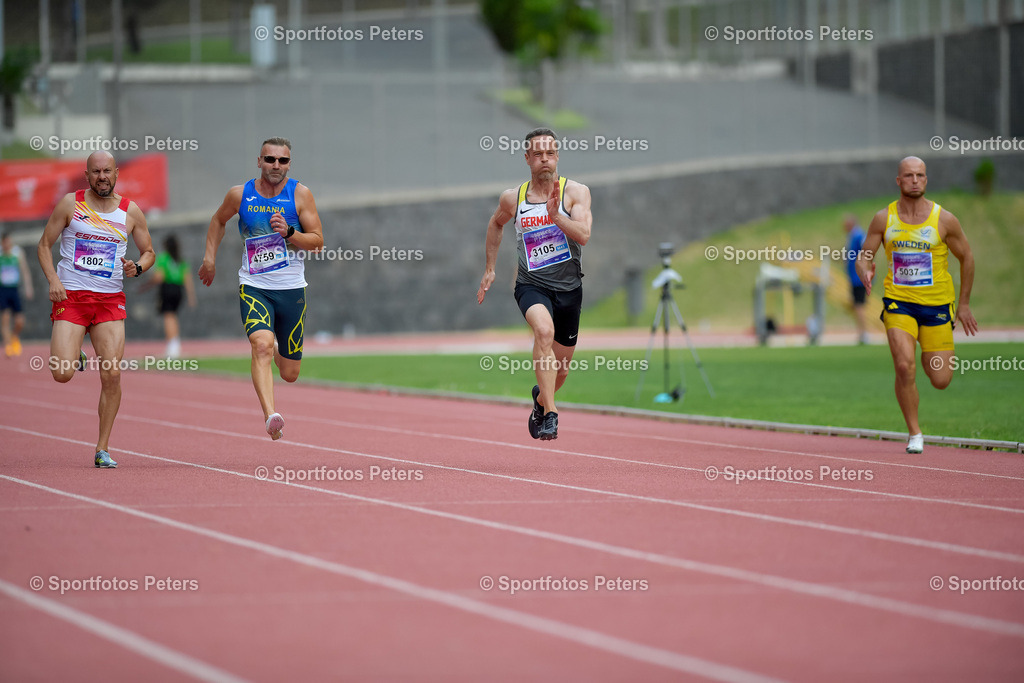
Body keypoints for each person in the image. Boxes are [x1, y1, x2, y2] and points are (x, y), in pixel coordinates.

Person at [198, 137, 323, 440]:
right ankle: (271, 415)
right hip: (254, 285)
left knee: (290, 374)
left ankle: (281, 351)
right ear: (259, 161)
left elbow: (318, 242)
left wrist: (291, 232)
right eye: (270, 160)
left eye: (282, 161)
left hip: (292, 289)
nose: (276, 166)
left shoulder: (301, 195)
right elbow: (218, 221)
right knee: (261, 345)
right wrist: (209, 258)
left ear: (289, 164)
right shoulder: (240, 194)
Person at [37, 151, 155, 468]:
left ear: (116, 173)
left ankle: (102, 448)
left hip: (109, 302)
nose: (102, 176)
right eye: (95, 172)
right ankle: (74, 352)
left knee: (112, 375)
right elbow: (43, 244)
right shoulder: (70, 204)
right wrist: (53, 280)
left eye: (107, 171)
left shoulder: (131, 212)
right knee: (62, 373)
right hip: (72, 298)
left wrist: (138, 268)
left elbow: (149, 252)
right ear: (87, 175)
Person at [477, 128, 593, 440]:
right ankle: (552, 415)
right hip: (531, 285)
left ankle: (541, 401)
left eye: (550, 153)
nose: (545, 159)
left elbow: (583, 234)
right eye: (537, 154)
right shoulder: (513, 198)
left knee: (562, 369)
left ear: (557, 156)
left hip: (569, 289)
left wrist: (556, 216)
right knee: (543, 331)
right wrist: (490, 269)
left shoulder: (576, 193)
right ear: (527, 159)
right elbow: (495, 224)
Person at [856, 156, 977, 454]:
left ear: (926, 180)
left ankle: (926, 353)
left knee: (940, 378)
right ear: (898, 181)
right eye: (908, 175)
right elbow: (864, 255)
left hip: (936, 306)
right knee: (903, 365)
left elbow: (967, 258)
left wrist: (963, 305)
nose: (914, 180)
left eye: (920, 175)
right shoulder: (884, 218)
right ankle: (915, 433)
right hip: (899, 302)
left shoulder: (944, 220)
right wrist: (865, 268)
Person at [143, 235, 196, 358]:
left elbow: (159, 276)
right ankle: (175, 343)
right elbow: (187, 279)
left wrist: (147, 284)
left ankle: (172, 346)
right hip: (179, 290)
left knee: (168, 316)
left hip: (167, 288)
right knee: (173, 315)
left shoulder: (163, 258)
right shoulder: (180, 260)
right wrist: (191, 297)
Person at [1, 231, 34, 357]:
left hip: (14, 289)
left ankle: (14, 337)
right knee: (5, 319)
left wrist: (28, 287)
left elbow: (24, 270)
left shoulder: (17, 253)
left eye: (8, 242)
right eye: (4, 242)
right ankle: (8, 345)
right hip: (3, 289)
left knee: (20, 321)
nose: (7, 245)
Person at [842, 214, 869, 345]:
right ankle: (861, 332)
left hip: (859, 277)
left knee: (859, 305)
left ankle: (864, 333)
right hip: (853, 277)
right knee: (856, 305)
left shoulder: (858, 235)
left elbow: (867, 250)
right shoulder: (852, 236)